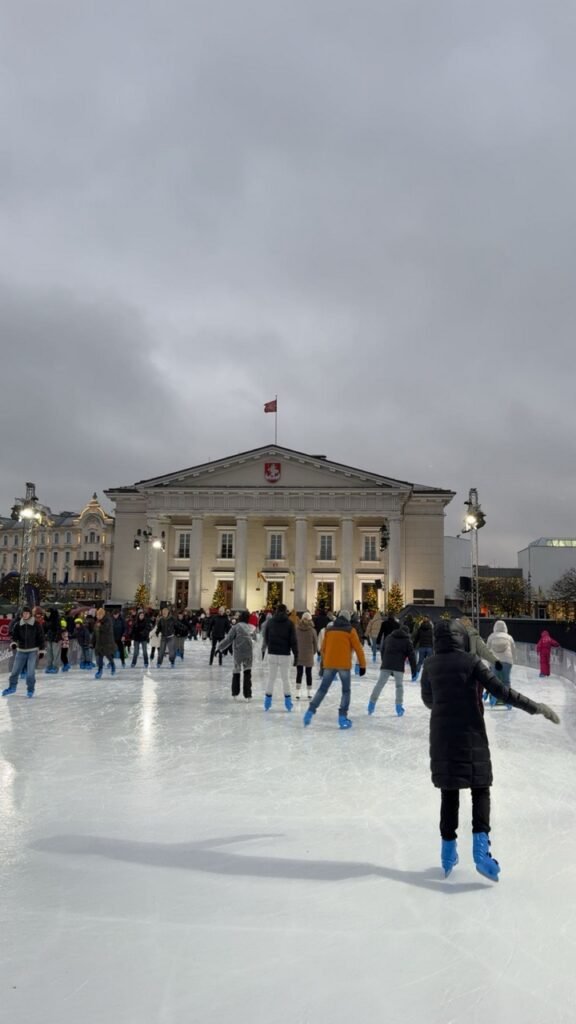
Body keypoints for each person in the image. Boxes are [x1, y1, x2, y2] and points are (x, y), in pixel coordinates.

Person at [420, 620, 560, 881]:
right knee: (479, 788)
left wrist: (445, 705)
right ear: (461, 638)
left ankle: (447, 854)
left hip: (441, 736)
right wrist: (536, 707)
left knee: (449, 793)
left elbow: (429, 700)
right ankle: (481, 854)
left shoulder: (430, 665)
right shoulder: (471, 662)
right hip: (471, 732)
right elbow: (502, 692)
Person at [304, 610, 366, 729]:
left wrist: (327, 660)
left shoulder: (329, 630)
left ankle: (310, 711)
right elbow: (359, 649)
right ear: (348, 619)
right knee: (346, 691)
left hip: (330, 664)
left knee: (323, 689)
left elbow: (323, 649)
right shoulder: (350, 631)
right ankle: (342, 717)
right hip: (344, 665)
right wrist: (362, 665)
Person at [368, 624, 417, 718]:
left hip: (386, 664)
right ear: (407, 632)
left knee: (379, 684)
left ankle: (371, 704)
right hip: (398, 667)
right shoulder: (407, 640)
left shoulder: (389, 637)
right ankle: (399, 707)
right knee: (399, 686)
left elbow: (382, 649)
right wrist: (414, 671)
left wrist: (384, 661)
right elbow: (412, 657)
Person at [261, 603, 298, 711]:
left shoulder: (270, 622)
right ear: (286, 611)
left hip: (272, 654)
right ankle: (288, 702)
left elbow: (266, 637)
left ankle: (267, 702)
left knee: (271, 678)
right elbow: (293, 641)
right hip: (284, 655)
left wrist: (270, 647)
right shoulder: (290, 623)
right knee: (285, 679)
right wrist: (296, 655)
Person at [2, 606, 45, 698]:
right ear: (21, 614)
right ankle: (12, 687)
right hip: (20, 651)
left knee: (30, 673)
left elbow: (41, 638)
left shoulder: (36, 624)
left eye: (27, 613)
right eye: (23, 613)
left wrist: (41, 650)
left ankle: (30, 690)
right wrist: (13, 643)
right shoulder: (18, 624)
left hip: (32, 651)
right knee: (14, 672)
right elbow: (14, 636)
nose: (25, 615)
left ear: (30, 614)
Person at [217, 610, 257, 699]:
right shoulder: (252, 628)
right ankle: (248, 694)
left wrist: (219, 647)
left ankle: (235, 692)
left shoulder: (236, 627)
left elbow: (228, 639)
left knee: (236, 671)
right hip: (248, 653)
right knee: (247, 672)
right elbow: (255, 640)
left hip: (238, 653)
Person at [486, 620, 516, 706]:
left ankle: (494, 697)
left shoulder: (491, 637)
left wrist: (489, 663)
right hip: (507, 661)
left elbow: (487, 650)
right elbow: (513, 650)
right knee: (506, 681)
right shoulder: (509, 637)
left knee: (495, 681)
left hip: (494, 662)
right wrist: (512, 661)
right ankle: (508, 700)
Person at [294, 611, 318, 701]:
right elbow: (315, 644)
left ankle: (297, 693)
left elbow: (294, 642)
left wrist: (296, 651)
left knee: (299, 673)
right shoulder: (312, 630)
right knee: (309, 673)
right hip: (308, 655)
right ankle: (309, 693)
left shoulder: (297, 629)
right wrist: (313, 652)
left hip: (299, 654)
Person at [93, 607, 116, 678]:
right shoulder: (97, 622)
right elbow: (95, 633)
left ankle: (112, 665)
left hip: (107, 642)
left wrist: (100, 626)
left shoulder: (108, 620)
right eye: (97, 615)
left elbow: (107, 630)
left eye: (99, 615)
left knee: (108, 656)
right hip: (99, 643)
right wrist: (92, 642)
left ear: (103, 615)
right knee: (100, 657)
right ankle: (100, 671)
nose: (98, 617)